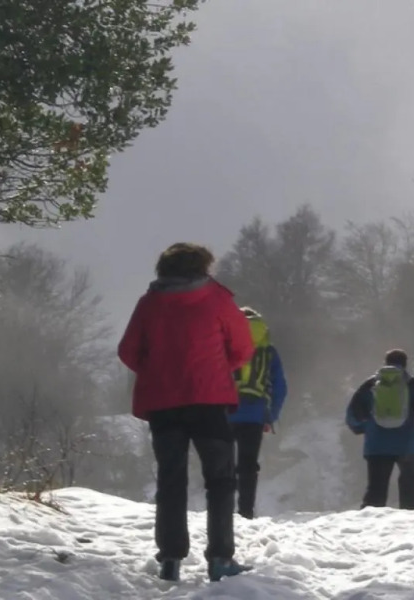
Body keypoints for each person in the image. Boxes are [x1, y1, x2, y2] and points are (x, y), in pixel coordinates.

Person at [118, 242, 255, 582]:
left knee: (171, 480)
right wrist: (218, 369)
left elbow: (128, 351)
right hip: (209, 401)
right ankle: (221, 558)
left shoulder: (149, 303)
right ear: (202, 267)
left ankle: (170, 559)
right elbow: (242, 347)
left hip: (164, 404)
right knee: (221, 481)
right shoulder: (218, 299)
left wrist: (155, 371)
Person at [346, 349, 414, 510]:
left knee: (375, 493)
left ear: (385, 362)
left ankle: (368, 528)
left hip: (376, 446)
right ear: (405, 364)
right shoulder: (413, 385)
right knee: (410, 492)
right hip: (407, 446)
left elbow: (352, 414)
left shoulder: (370, 385)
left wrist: (364, 428)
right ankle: (411, 526)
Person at [228, 307, 287, 519]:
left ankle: (222, 509)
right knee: (248, 464)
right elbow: (280, 386)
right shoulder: (268, 350)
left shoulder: (225, 343)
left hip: (224, 411)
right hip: (254, 414)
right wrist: (270, 416)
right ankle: (245, 511)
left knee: (223, 462)